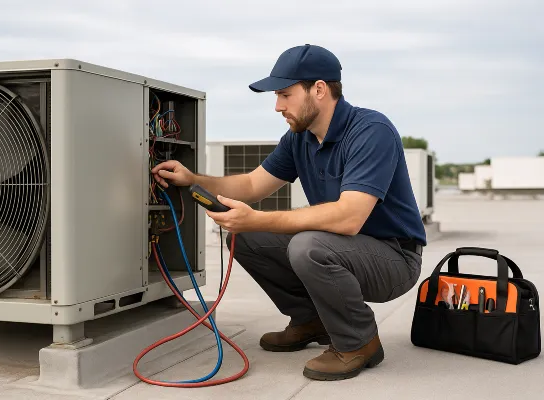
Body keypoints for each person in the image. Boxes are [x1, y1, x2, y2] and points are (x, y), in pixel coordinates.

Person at [151, 44, 425, 381]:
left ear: (319, 90)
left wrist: (258, 218)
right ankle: (311, 320)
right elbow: (252, 185)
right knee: (248, 238)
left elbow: (349, 217)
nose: (278, 106)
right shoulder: (300, 138)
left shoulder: (371, 131)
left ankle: (358, 342)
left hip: (394, 258)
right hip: (345, 248)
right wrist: (193, 179)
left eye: (285, 94)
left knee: (307, 245)